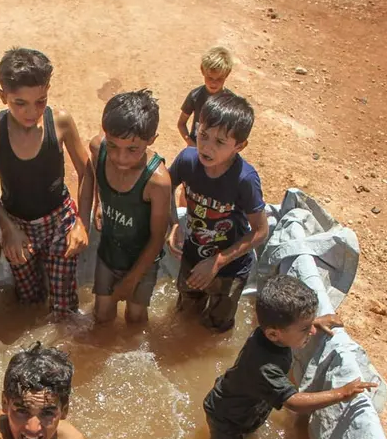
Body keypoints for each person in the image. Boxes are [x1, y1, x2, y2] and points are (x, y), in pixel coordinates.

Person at [203, 275, 378, 439]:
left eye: (311, 325)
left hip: (243, 404)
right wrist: (342, 393)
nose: (311, 332)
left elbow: (289, 329)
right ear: (273, 334)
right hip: (226, 418)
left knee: (248, 432)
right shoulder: (265, 368)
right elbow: (294, 403)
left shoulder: (269, 333)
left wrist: (314, 322)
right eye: (305, 328)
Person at [0, 48, 91, 319]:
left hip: (59, 222)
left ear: (48, 91)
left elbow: (86, 171)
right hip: (16, 226)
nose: (32, 112)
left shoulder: (60, 122)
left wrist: (82, 222)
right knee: (28, 301)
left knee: (64, 307)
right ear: (2, 96)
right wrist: (7, 227)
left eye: (40, 101)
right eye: (20, 103)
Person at [166, 89, 269, 333]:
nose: (207, 147)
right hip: (192, 256)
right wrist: (173, 224)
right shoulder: (187, 160)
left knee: (215, 330)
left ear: (240, 146)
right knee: (184, 317)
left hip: (230, 269)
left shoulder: (245, 179)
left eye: (220, 142)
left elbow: (261, 231)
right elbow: (164, 189)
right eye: (203, 135)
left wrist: (218, 261)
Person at [84, 90, 173, 324]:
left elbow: (157, 238)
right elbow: (90, 175)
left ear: (151, 139)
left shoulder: (157, 181)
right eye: (113, 146)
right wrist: (98, 202)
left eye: (132, 149)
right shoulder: (97, 149)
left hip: (142, 262)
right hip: (109, 254)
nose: (120, 157)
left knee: (136, 318)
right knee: (101, 317)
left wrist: (132, 280)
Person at [177, 46, 234, 148]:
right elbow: (181, 124)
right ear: (203, 70)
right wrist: (192, 145)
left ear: (227, 74)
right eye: (210, 77)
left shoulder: (230, 101)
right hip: (196, 148)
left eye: (219, 78)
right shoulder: (195, 96)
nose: (214, 83)